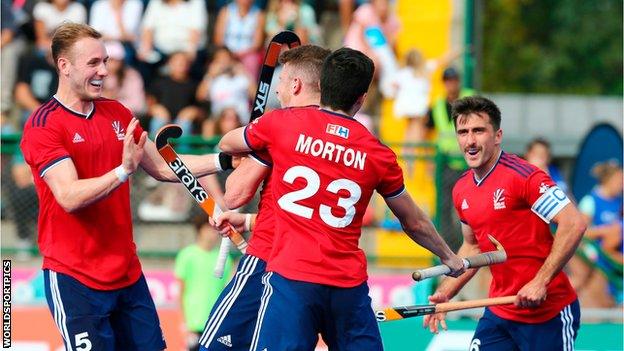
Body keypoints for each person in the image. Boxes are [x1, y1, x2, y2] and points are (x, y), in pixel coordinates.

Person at [218, 47, 464, 350]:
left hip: (290, 281)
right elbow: (413, 221)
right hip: (346, 288)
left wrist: (257, 140)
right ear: (361, 99)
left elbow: (227, 142)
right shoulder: (378, 154)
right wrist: (447, 255)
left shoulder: (282, 124)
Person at [19, 23, 235, 350]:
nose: (104, 71)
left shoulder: (118, 113)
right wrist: (122, 171)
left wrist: (225, 161)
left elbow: (164, 166)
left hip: (126, 274)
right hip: (74, 279)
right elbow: (69, 196)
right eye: (93, 63)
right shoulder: (43, 125)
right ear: (64, 66)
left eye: (105, 61)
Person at [424, 96, 587, 350]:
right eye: (463, 132)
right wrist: (447, 292)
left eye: (479, 131)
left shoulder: (524, 177)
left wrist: (540, 281)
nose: (470, 141)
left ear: (497, 136)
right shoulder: (461, 189)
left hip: (548, 314)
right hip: (500, 311)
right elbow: (473, 246)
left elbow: (573, 223)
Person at [197, 44, 330, 351]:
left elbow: (233, 194)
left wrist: (251, 144)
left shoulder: (279, 126)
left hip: (269, 259)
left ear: (296, 85)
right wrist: (249, 218)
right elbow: (307, 212)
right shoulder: (350, 138)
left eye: (282, 81)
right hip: (320, 270)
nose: (279, 89)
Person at [427, 66, 475, 248]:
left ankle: (472, 244)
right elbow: (428, 129)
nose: (451, 84)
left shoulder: (470, 98)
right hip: (446, 164)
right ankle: (452, 247)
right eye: (448, 80)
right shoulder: (438, 105)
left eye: (454, 80)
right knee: (444, 208)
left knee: (470, 206)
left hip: (468, 163)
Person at [176, 213, 233, 351]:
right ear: (199, 230)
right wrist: (184, 322)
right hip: (194, 323)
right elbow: (181, 291)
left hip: (216, 321)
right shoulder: (187, 255)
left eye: (214, 230)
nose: (212, 234)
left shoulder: (225, 258)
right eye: (208, 229)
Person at [570, 161, 623, 307]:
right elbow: (580, 231)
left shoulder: (619, 201)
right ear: (608, 180)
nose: (622, 184)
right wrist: (605, 231)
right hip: (595, 254)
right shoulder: (591, 201)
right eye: (619, 180)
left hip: (611, 253)